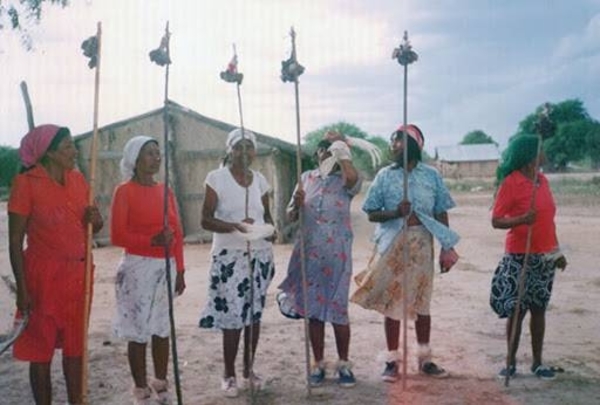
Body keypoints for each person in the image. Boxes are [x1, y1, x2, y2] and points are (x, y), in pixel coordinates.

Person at [351, 124, 459, 382]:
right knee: (392, 302)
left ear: (413, 145)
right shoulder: (385, 176)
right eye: (392, 141)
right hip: (392, 243)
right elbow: (371, 211)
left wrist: (447, 247)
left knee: (423, 302)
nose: (393, 145)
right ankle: (392, 361)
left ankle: (425, 359)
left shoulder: (431, 176)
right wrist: (395, 213)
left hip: (422, 243)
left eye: (398, 140)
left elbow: (441, 211)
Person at [8, 124, 103, 405]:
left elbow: (95, 227)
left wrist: (94, 220)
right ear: (48, 154)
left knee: (75, 348)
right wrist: (23, 291)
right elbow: (14, 243)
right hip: (43, 279)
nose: (74, 151)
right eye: (68, 147)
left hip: (79, 275)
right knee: (41, 351)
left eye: (73, 145)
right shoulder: (26, 184)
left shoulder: (78, 180)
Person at [277, 131, 361, 388]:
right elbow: (290, 216)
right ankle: (319, 363)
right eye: (323, 149)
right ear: (316, 154)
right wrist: (296, 205)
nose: (326, 153)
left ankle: (344, 364)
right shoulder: (306, 179)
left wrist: (342, 149)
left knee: (338, 310)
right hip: (309, 253)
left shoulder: (346, 180)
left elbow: (352, 178)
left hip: (338, 254)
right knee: (314, 312)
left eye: (331, 149)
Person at [198, 128, 276, 398]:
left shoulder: (260, 181)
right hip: (230, 259)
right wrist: (235, 227)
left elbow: (267, 217)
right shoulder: (216, 178)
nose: (244, 153)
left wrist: (269, 230)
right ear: (229, 150)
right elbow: (205, 220)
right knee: (232, 319)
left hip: (259, 255)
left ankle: (248, 370)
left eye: (249, 147)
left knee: (253, 316)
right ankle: (229, 374)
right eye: (238, 147)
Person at [111, 136, 186, 405]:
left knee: (162, 327)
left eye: (158, 153)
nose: (156, 158)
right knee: (138, 329)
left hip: (164, 266)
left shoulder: (166, 191)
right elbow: (117, 234)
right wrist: (151, 241)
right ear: (135, 159)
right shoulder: (124, 191)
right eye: (150, 154)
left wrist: (180, 268)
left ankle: (161, 381)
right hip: (136, 268)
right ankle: (140, 387)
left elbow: (176, 232)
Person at [490, 134, 567, 380]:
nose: (543, 154)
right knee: (517, 311)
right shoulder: (511, 182)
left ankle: (537, 363)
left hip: (544, 256)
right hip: (519, 256)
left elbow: (548, 221)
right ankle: (510, 363)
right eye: (540, 151)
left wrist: (557, 252)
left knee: (539, 309)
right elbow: (496, 220)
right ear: (529, 155)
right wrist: (522, 220)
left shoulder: (542, 181)